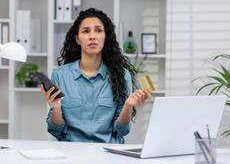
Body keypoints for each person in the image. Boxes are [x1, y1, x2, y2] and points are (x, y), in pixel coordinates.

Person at [41, 8, 149, 143]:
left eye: (98, 30)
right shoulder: (60, 74)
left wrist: (128, 106)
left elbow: (121, 131)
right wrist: (56, 107)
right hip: (72, 154)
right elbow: (56, 131)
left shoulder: (122, 75)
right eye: (86, 31)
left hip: (108, 154)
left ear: (105, 37)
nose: (92, 36)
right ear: (77, 39)